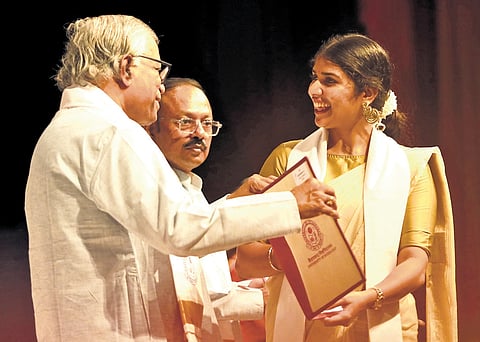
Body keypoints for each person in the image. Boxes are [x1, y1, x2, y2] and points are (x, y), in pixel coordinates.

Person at [24, 15, 338, 342]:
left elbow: (170, 258)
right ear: (126, 66)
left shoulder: (66, 131)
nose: (161, 83)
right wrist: (290, 204)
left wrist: (236, 205)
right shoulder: (109, 132)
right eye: (157, 67)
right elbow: (179, 230)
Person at [235, 33, 457, 342]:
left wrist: (369, 298)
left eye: (329, 81)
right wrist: (288, 258)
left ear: (367, 92)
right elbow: (246, 260)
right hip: (304, 328)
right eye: (314, 78)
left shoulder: (411, 167)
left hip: (380, 324)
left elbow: (415, 264)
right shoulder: (289, 160)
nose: (314, 90)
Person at [146, 77, 268, 341]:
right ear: (151, 127)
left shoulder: (190, 189)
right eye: (185, 122)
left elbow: (211, 291)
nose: (199, 133)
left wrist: (257, 293)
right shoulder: (150, 191)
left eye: (207, 123)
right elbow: (190, 297)